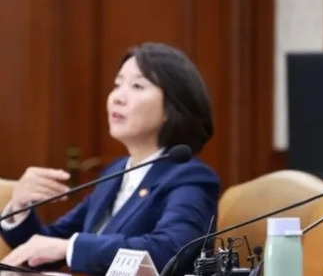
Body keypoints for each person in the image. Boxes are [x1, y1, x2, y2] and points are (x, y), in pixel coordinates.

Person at [0, 42, 220, 275]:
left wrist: (69, 247)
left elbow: (170, 251)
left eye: (137, 85)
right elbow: (47, 246)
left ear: (171, 107)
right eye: (117, 85)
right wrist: (19, 206)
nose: (117, 97)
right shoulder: (115, 172)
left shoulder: (190, 176)